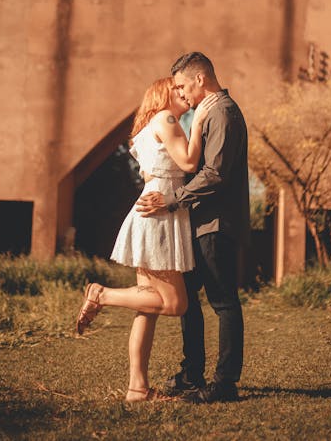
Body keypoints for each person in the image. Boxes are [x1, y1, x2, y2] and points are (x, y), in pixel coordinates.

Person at [75, 76, 217, 402]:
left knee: (148, 307)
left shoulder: (148, 127)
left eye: (184, 89)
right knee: (176, 303)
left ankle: (137, 388)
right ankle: (103, 294)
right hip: (159, 214)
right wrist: (200, 122)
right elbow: (189, 161)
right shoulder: (166, 118)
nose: (183, 93)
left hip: (155, 210)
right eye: (177, 89)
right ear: (163, 94)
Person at [136, 52, 250, 404]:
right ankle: (191, 374)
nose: (182, 93)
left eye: (184, 85)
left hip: (216, 222)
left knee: (224, 302)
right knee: (187, 298)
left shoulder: (222, 112)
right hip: (200, 221)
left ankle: (225, 383)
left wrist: (173, 200)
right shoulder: (208, 113)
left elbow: (215, 173)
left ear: (200, 78)